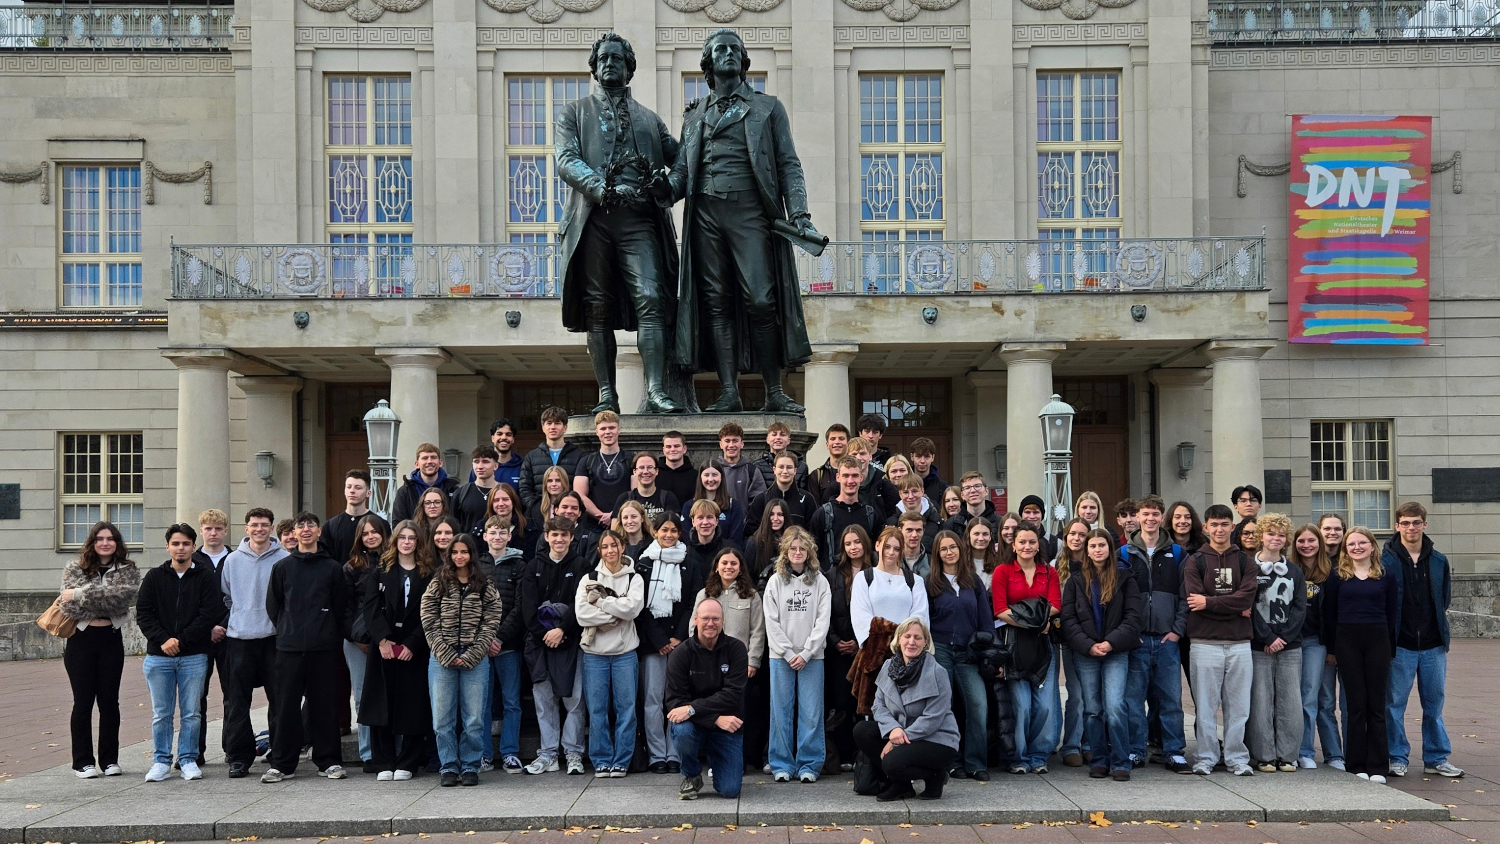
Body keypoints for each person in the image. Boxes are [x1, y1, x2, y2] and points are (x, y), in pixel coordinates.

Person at [667, 28, 814, 416]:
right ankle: (729, 391)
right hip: (705, 215)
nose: (729, 54)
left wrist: (798, 211)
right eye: (720, 50)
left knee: (761, 300)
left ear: (744, 62)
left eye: (735, 49)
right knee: (716, 303)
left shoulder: (767, 107)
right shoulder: (695, 114)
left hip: (750, 211)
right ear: (708, 63)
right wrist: (654, 189)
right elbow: (681, 174)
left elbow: (788, 166)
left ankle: (773, 391)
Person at [556, 32, 684, 415]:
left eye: (618, 59)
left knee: (651, 298)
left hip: (640, 220)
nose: (610, 64)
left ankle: (656, 391)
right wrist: (599, 186)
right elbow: (566, 158)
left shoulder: (649, 119)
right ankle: (607, 393)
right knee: (597, 307)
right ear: (594, 67)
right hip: (593, 218)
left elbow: (681, 163)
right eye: (604, 59)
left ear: (629, 68)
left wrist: (668, 185)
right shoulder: (574, 112)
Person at [261, 512, 349, 783]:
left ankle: (328, 761)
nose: (306, 529)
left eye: (311, 525)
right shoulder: (282, 568)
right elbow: (274, 606)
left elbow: (340, 606)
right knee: (286, 707)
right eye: (301, 526)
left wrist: (326, 632)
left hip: (323, 648)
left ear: (319, 532)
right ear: (294, 533)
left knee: (324, 705)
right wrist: (288, 628)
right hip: (288, 647)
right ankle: (283, 764)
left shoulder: (332, 567)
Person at [1383, 502, 1463, 778]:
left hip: (1433, 645)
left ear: (1424, 525)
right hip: (1400, 644)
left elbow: (1444, 599)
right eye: (1405, 523)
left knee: (1434, 704)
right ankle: (1396, 757)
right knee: (1394, 705)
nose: (1411, 527)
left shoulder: (1438, 560)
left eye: (1416, 522)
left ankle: (1436, 757)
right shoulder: (1386, 559)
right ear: (1397, 526)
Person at [136, 523, 221, 782]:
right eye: (175, 543)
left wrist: (180, 642)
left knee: (192, 712)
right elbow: (144, 614)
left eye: (185, 543)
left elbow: (208, 615)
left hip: (194, 656)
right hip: (158, 657)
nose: (180, 548)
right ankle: (161, 760)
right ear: (167, 547)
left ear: (194, 547)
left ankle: (188, 759)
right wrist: (163, 640)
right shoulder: (154, 577)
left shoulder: (205, 577)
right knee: (162, 713)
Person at [1061, 528, 1142, 781]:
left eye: (1102, 545)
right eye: (1092, 546)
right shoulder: (1076, 580)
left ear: (1110, 548)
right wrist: (1088, 645)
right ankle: (1098, 759)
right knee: (1093, 709)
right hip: (1085, 653)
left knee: (1116, 706)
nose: (1097, 550)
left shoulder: (1125, 577)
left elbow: (1133, 617)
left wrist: (1110, 643)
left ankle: (1120, 761)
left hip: (1115, 651)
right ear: (1086, 550)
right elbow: (1068, 619)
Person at [1183, 503, 1258, 777]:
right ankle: (1205, 757)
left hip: (1240, 643)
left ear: (1232, 527)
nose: (1219, 529)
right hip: (1204, 643)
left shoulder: (1244, 561)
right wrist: (1234, 607)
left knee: (1239, 706)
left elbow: (1246, 597)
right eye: (1214, 524)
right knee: (1205, 706)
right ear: (1205, 527)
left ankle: (1237, 758)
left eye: (1224, 524)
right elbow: (1194, 599)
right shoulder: (1195, 561)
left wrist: (1211, 603)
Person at [422, 534, 502, 786]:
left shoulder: (484, 584)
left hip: (475, 659)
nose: (459, 556)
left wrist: (473, 653)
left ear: (471, 554)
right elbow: (428, 617)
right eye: (454, 552)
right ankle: (448, 766)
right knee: (442, 718)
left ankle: (470, 766)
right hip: (442, 658)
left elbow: (491, 620)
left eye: (464, 552)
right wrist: (444, 652)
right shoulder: (439, 582)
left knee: (474, 717)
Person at [1118, 494, 1191, 773]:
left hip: (1166, 638)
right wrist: (1128, 633)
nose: (1150, 519)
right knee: (1133, 700)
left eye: (1155, 514)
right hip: (1136, 640)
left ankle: (1174, 751)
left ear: (1162, 518)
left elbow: (1185, 597)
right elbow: (1118, 598)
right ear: (1137, 517)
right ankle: (1136, 750)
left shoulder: (1178, 553)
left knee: (1171, 699)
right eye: (1145, 514)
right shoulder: (1124, 554)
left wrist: (1176, 631)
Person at [853, 617, 961, 802]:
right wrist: (893, 729)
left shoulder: (937, 673)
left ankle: (935, 775)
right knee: (862, 731)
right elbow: (878, 705)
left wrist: (897, 740)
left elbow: (932, 719)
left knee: (892, 762)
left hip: (936, 740)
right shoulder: (888, 666)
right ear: (899, 639)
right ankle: (902, 786)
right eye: (907, 636)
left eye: (918, 638)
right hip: (902, 733)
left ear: (926, 642)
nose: (911, 642)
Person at [361, 520, 434, 781]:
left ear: (418, 542)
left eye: (411, 538)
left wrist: (414, 643)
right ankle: (384, 761)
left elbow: (431, 612)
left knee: (413, 704)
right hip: (385, 646)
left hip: (414, 646)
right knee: (382, 704)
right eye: (402, 537)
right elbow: (370, 607)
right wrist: (383, 640)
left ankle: (408, 762)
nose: (406, 542)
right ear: (394, 541)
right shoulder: (381, 569)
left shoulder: (429, 572)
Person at [1323, 527, 1398, 783]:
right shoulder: (1337, 578)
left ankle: (1378, 765)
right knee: (1355, 705)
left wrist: (1390, 647)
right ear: (1345, 549)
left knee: (1376, 706)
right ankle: (1356, 764)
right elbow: (1329, 615)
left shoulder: (1386, 576)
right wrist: (1332, 648)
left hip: (1378, 641)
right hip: (1347, 642)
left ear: (1372, 546)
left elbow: (1392, 614)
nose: (1357, 547)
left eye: (1362, 543)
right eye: (1351, 544)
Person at [220, 509, 288, 778]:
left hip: (273, 639)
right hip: (239, 639)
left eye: (264, 525)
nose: (259, 529)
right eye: (254, 525)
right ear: (246, 528)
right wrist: (240, 616)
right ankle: (239, 757)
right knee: (237, 702)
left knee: (279, 701)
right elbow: (226, 596)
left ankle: (279, 753)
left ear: (272, 528)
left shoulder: (284, 558)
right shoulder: (232, 561)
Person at [635, 512, 704, 773]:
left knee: (677, 699)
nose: (668, 535)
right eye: (664, 530)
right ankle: (656, 755)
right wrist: (660, 639)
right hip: (653, 643)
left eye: (674, 530)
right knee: (652, 700)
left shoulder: (691, 561)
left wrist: (678, 638)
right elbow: (640, 605)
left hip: (681, 643)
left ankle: (674, 753)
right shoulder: (644, 563)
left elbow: (693, 602)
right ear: (655, 532)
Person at [762, 526, 832, 782]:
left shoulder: (820, 582)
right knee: (780, 712)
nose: (798, 552)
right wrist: (789, 652)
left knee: (811, 713)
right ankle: (781, 764)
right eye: (793, 548)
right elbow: (772, 621)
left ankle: (809, 765)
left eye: (802, 548)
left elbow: (823, 622)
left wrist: (807, 652)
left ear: (810, 552)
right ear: (785, 552)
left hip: (812, 657)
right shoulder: (775, 581)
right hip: (781, 657)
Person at [992, 523, 1061, 774]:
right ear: (1013, 545)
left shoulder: (1049, 572)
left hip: (1043, 646)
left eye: (1032, 542)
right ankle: (1018, 757)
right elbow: (1000, 609)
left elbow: (1055, 605)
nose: (1027, 546)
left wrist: (1034, 620)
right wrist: (1035, 622)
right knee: (1021, 704)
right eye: (1022, 542)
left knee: (1044, 705)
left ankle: (1039, 755)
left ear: (1038, 545)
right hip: (1014, 646)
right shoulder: (1002, 571)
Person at [522, 517, 589, 775]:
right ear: (546, 537)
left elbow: (581, 603)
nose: (559, 539)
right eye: (554, 534)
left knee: (574, 699)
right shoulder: (533, 566)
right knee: (544, 699)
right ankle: (548, 753)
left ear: (572, 537)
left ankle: (573, 752)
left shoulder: (582, 565)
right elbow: (528, 610)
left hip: (572, 641)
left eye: (564, 534)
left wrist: (562, 630)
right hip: (540, 644)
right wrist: (546, 633)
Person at [576, 529, 645, 778]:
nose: (610, 551)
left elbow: (633, 609)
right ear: (599, 550)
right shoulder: (588, 578)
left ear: (622, 547)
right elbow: (582, 614)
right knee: (597, 710)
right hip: (594, 654)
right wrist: (617, 610)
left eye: (614, 545)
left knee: (626, 709)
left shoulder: (634, 578)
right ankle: (602, 759)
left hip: (625, 653)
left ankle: (622, 760)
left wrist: (602, 603)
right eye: (605, 547)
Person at [666, 599, 749, 800]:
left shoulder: (737, 649)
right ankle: (692, 775)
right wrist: (714, 719)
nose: (710, 623)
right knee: (681, 729)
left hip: (727, 725)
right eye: (705, 618)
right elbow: (675, 704)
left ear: (723, 621)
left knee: (730, 790)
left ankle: (716, 757)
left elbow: (732, 696)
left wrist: (693, 709)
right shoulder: (681, 654)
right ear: (695, 620)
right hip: (697, 725)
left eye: (715, 619)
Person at [925, 529, 991, 780]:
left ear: (961, 549)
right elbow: (924, 621)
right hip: (940, 649)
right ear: (937, 554)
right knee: (946, 705)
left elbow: (986, 623)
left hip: (968, 652)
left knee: (978, 705)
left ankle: (976, 763)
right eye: (943, 548)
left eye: (953, 547)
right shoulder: (929, 582)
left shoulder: (973, 582)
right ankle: (951, 761)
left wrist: (985, 651)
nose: (949, 552)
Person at [694, 547, 767, 770]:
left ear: (740, 568)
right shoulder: (705, 594)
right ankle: (714, 760)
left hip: (740, 665)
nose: (729, 567)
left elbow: (758, 630)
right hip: (709, 665)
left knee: (740, 712)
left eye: (734, 563)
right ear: (717, 566)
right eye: (724, 563)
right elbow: (693, 628)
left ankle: (739, 760)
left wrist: (753, 660)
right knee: (714, 711)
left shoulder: (751, 595)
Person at [1248, 513, 1307, 773]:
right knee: (1260, 699)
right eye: (1271, 533)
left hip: (1289, 646)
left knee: (1290, 700)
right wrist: (1267, 637)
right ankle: (1264, 755)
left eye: (1281, 535)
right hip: (1258, 645)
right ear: (1261, 535)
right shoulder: (1248, 569)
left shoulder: (1294, 571)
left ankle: (1287, 755)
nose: (1276, 538)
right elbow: (1247, 607)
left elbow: (1299, 607)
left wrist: (1283, 638)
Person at [1292, 523, 1344, 771]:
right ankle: (1302, 750)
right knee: (1302, 697)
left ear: (1320, 544)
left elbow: (1334, 615)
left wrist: (1332, 649)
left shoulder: (1332, 574)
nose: (1306, 545)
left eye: (1311, 541)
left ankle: (1333, 754)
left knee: (1322, 699)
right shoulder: (1289, 570)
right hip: (1292, 642)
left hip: (1318, 643)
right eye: (1301, 541)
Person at [480, 516, 529, 774]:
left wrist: (499, 637)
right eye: (492, 532)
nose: (497, 537)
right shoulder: (477, 564)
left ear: (509, 536)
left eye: (502, 532)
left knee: (511, 701)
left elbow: (520, 607)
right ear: (485, 535)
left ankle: (510, 752)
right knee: (483, 703)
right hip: (481, 648)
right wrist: (485, 638)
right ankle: (484, 754)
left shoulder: (519, 565)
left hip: (508, 645)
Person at [343, 514, 390, 773]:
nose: (371, 536)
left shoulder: (394, 563)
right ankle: (367, 752)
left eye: (375, 531)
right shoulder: (350, 567)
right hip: (357, 642)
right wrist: (355, 637)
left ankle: (390, 748)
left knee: (389, 694)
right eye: (366, 533)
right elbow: (345, 607)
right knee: (362, 696)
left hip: (388, 640)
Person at [825, 524, 873, 771]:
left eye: (857, 542)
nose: (853, 547)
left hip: (866, 650)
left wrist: (860, 642)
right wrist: (835, 641)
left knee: (864, 703)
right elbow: (825, 613)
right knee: (842, 703)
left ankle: (863, 754)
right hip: (839, 650)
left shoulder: (875, 573)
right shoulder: (833, 574)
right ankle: (843, 754)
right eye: (848, 543)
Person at [189, 508, 232, 769]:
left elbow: (241, 598)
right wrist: (207, 629)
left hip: (230, 635)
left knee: (233, 695)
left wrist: (223, 626)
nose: (213, 533)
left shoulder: (237, 558)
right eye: (208, 528)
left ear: (225, 531)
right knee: (196, 698)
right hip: (199, 639)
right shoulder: (192, 560)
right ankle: (195, 751)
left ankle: (232, 749)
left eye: (218, 528)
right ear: (202, 531)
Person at [1053, 518, 1091, 769]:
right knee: (1076, 694)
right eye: (1072, 534)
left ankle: (1090, 743)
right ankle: (1071, 745)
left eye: (1082, 534)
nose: (1076, 538)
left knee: (1091, 694)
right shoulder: (1057, 565)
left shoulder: (1097, 562)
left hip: (1093, 636)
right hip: (1067, 636)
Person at [852, 527, 931, 648]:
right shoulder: (863, 578)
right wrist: (883, 641)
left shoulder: (915, 581)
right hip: (874, 649)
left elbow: (920, 616)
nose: (891, 552)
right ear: (877, 546)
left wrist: (902, 641)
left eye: (896, 549)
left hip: (906, 649)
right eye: (887, 546)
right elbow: (861, 617)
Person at [810, 457, 882, 568]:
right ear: (838, 477)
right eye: (845, 476)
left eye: (855, 476)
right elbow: (813, 552)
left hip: (864, 579)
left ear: (861, 478)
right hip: (832, 579)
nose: (850, 481)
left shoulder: (871, 515)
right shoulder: (822, 514)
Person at [575, 411, 634, 528]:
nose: (607, 432)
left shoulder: (631, 459)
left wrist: (614, 515)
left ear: (619, 430)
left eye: (612, 428)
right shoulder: (586, 461)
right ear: (597, 432)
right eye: (603, 429)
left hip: (624, 523)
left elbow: (635, 493)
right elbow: (580, 495)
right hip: (593, 525)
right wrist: (600, 516)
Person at [519, 406, 585, 510]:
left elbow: (584, 489)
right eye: (549, 423)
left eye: (557, 423)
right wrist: (536, 509)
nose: (553, 427)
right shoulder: (531, 457)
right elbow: (524, 488)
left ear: (565, 427)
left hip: (569, 513)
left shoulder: (579, 456)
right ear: (543, 427)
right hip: (540, 513)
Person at [747, 451, 816, 534]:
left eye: (789, 467)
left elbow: (813, 531)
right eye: (781, 467)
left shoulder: (807, 499)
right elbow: (751, 530)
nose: (785, 471)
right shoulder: (761, 499)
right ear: (774, 470)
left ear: (795, 471)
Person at [392, 443, 459, 524]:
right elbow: (398, 523)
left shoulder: (453, 490)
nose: (429, 461)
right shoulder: (405, 492)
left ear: (440, 462)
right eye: (425, 458)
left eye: (433, 457)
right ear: (417, 464)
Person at [614, 452, 680, 530]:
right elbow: (615, 530)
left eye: (650, 467)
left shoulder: (668, 498)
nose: (645, 471)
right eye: (641, 467)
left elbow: (674, 528)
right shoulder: (624, 498)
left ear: (657, 471)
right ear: (635, 472)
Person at [684, 463, 745, 542]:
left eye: (714, 475)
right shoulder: (689, 505)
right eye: (706, 475)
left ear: (721, 477)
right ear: (700, 478)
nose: (710, 479)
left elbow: (736, 538)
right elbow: (687, 537)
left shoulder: (733, 505)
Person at [713, 422, 768, 509]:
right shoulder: (712, 470)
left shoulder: (752, 471)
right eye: (727, 441)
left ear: (742, 444)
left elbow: (759, 501)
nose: (731, 445)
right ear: (721, 444)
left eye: (735, 441)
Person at [847, 437, 900, 523]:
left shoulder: (884, 486)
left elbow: (896, 513)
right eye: (854, 454)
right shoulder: (838, 486)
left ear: (870, 456)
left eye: (862, 453)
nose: (858, 458)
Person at [453, 446, 502, 537]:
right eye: (476, 462)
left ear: (496, 466)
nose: (480, 466)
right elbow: (454, 525)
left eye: (485, 461)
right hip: (469, 548)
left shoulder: (505, 493)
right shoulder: (461, 493)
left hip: (498, 546)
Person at [888, 475, 942, 551]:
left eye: (914, 491)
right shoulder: (891, 523)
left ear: (922, 491)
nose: (910, 496)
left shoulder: (937, 521)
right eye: (905, 492)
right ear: (900, 494)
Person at [524, 465, 573, 546]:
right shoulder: (535, 507)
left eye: (558, 480)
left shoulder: (572, 506)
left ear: (565, 482)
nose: (554, 484)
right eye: (550, 481)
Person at [941, 472, 999, 537]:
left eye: (977, 486)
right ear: (962, 495)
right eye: (967, 488)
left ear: (986, 491)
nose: (972, 491)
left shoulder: (999, 522)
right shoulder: (950, 525)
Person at [755, 421, 809, 490]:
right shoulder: (757, 466)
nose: (778, 438)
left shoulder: (801, 466)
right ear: (767, 440)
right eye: (774, 435)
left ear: (788, 440)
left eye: (782, 435)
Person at [746, 498, 790, 582]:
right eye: (771, 514)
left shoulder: (792, 543)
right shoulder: (754, 542)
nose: (775, 518)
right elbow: (748, 574)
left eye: (780, 514)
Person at [807, 424, 851, 505]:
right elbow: (814, 507)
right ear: (827, 445)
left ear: (848, 444)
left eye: (841, 439)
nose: (837, 442)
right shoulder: (816, 475)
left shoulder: (856, 473)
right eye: (833, 439)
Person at [482, 483, 529, 555]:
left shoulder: (527, 526)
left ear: (513, 502)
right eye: (496, 500)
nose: (501, 504)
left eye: (505, 499)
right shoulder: (481, 527)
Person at [657, 431, 698, 507]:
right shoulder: (655, 474)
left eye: (676, 446)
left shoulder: (696, 476)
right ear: (663, 450)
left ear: (684, 449)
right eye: (668, 446)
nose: (672, 449)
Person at [482, 418, 525, 490]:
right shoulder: (481, 466)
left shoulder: (523, 467)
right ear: (492, 438)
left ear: (513, 439)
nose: (504, 437)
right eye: (499, 434)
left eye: (508, 434)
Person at [909, 438, 946, 506]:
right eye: (918, 456)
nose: (922, 461)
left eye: (927, 456)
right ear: (912, 457)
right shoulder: (904, 483)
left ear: (933, 457)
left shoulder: (942, 486)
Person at [895, 510, 931, 576]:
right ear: (900, 531)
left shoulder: (932, 561)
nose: (914, 535)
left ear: (923, 531)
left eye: (918, 530)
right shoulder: (892, 559)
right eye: (909, 530)